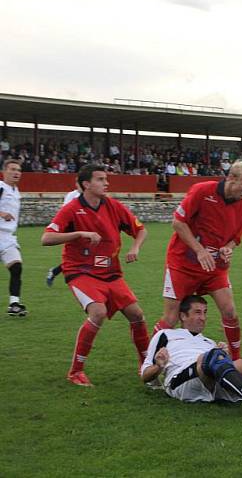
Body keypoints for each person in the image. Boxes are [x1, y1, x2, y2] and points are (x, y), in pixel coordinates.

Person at [42, 165, 150, 387]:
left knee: (137, 315)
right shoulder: (72, 209)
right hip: (81, 271)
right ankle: (76, 372)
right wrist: (79, 233)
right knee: (98, 312)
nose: (106, 183)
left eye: (106, 179)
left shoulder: (113, 205)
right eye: (101, 179)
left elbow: (141, 230)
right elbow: (46, 238)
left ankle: (145, 365)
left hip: (111, 273)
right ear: (86, 184)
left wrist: (135, 248)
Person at [153, 161, 242, 361]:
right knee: (171, 318)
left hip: (215, 268)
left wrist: (228, 248)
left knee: (230, 311)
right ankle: (150, 364)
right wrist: (199, 250)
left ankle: (235, 361)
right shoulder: (202, 191)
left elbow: (236, 238)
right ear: (231, 178)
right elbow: (178, 223)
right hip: (183, 264)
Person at [141, 295, 242, 416]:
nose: (203, 318)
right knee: (212, 356)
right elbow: (144, 375)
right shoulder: (165, 334)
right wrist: (158, 366)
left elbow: (219, 362)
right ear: (183, 316)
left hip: (208, 374)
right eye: (197, 312)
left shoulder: (209, 342)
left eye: (205, 312)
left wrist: (224, 356)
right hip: (180, 381)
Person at [1, 160, 26, 316]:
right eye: (12, 169)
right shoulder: (1, 187)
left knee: (16, 268)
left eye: (18, 170)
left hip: (7, 237)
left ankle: (14, 304)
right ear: (4, 171)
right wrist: (1, 213)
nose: (16, 172)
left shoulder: (15, 191)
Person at [45, 185, 82, 287]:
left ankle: (55, 271)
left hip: (86, 230)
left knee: (82, 257)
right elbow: (65, 211)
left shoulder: (90, 195)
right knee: (78, 257)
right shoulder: (72, 195)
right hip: (74, 231)